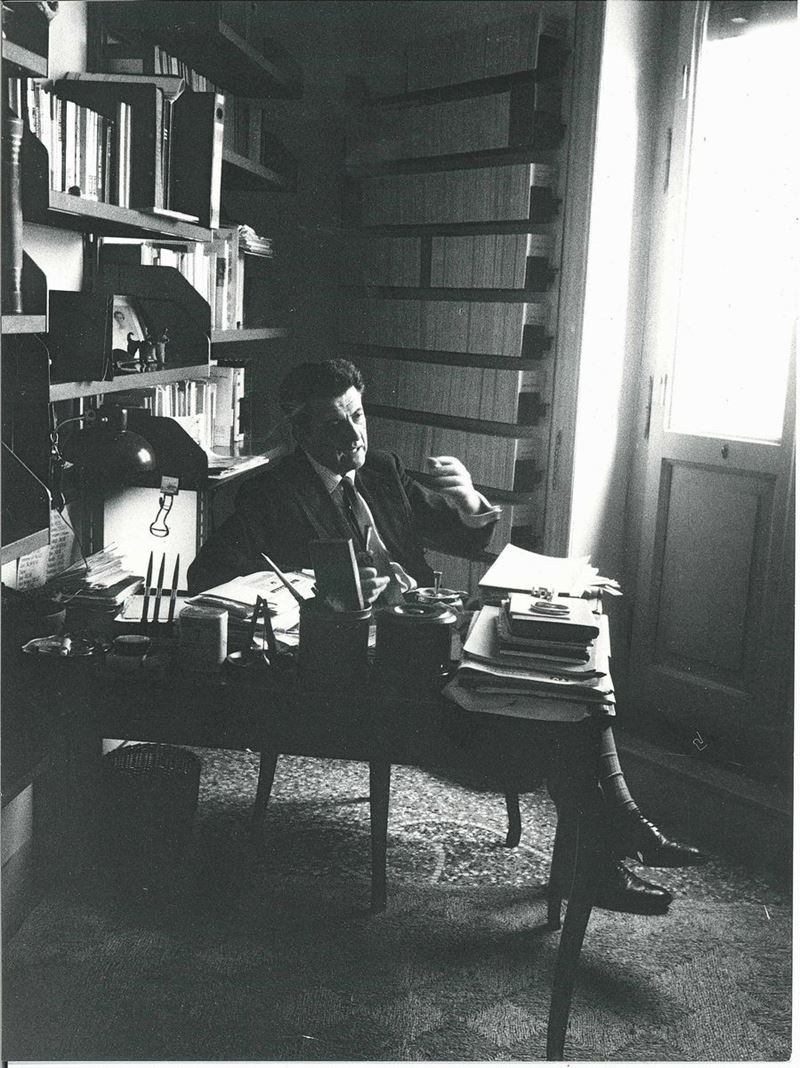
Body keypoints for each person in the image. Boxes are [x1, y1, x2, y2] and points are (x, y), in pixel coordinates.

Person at [188, 358, 705, 913]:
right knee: (550, 706)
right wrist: (321, 584)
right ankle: (607, 848)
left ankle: (607, 843)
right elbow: (207, 576)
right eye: (335, 425)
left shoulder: (383, 470)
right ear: (302, 432)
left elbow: (460, 533)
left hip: (431, 630)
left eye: (358, 416)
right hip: (370, 663)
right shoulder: (272, 494)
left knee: (572, 684)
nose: (354, 435)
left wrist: (469, 502)